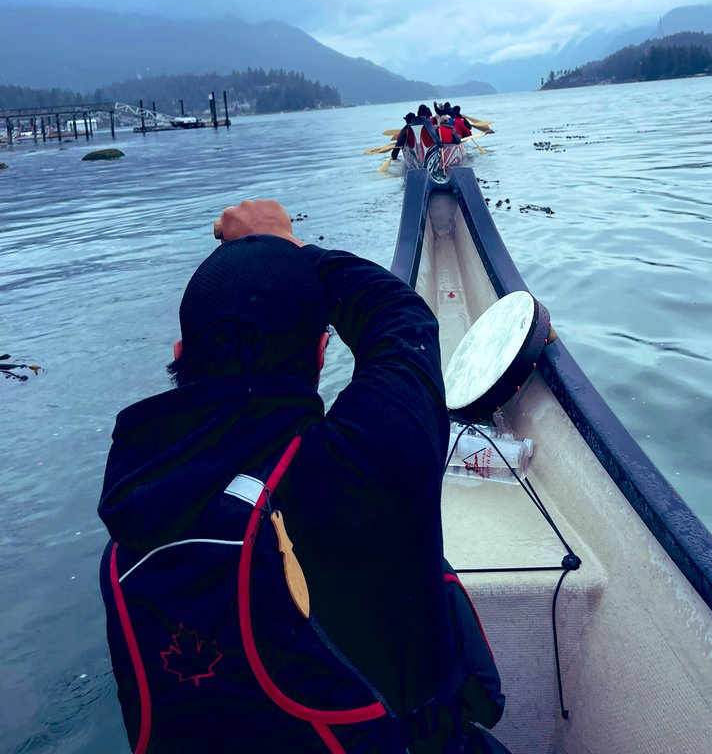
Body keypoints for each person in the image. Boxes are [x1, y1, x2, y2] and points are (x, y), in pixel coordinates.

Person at [98, 198, 507, 753]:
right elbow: (401, 318)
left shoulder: (129, 521)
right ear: (320, 354)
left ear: (179, 354)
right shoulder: (357, 465)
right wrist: (287, 245)